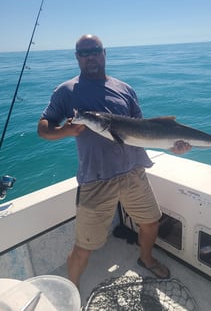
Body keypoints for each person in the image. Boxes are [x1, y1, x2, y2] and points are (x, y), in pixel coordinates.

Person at [37, 34, 191, 287]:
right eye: (84, 52)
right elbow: (43, 128)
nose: (90, 56)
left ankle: (146, 259)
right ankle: (71, 292)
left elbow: (144, 130)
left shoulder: (125, 89)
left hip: (133, 172)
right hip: (96, 179)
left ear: (104, 52)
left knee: (151, 223)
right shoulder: (67, 91)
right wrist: (64, 131)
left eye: (95, 50)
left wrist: (172, 145)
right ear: (77, 57)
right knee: (84, 246)